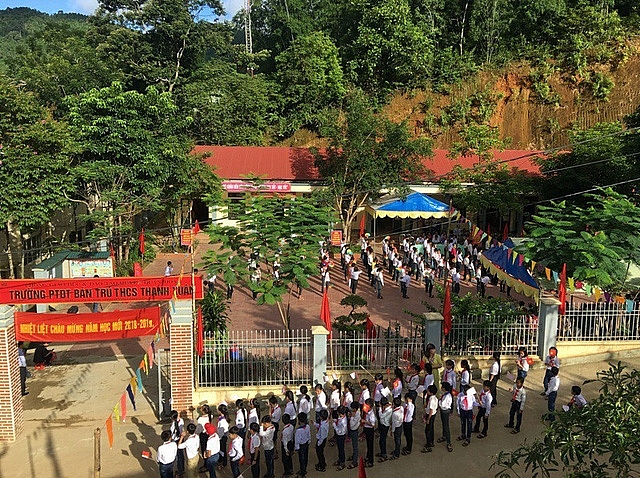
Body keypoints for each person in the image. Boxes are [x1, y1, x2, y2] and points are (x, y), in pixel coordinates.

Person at [421, 385, 438, 453]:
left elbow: (431, 410)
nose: (427, 391)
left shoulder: (432, 399)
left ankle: (428, 445)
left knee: (427, 430)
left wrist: (428, 419)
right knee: (431, 429)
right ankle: (431, 442)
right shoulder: (432, 398)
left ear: (431, 392)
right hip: (431, 414)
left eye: (428, 391)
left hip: (431, 415)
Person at [437, 382, 454, 452]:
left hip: (445, 411)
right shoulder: (446, 394)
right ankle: (444, 436)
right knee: (444, 424)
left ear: (444, 388)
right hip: (443, 411)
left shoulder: (447, 396)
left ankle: (449, 442)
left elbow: (442, 404)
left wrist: (439, 401)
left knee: (446, 426)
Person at [294, 412, 310, 477]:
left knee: (301, 459)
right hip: (306, 444)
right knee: (305, 457)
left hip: (301, 446)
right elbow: (309, 435)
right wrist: (309, 441)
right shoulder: (308, 426)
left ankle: (302, 472)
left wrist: (296, 448)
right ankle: (304, 469)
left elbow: (297, 440)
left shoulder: (298, 430)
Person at [170, 410, 185, 477]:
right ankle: (182, 469)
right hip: (181, 439)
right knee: (181, 455)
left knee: (177, 456)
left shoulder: (173, 425)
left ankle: (180, 471)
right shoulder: (181, 420)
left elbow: (172, 435)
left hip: (175, 440)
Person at [332, 406, 348, 470]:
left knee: (341, 449)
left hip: (341, 435)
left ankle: (342, 462)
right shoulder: (342, 417)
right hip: (340, 435)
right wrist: (335, 420)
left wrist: (334, 425)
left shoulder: (343, 422)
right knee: (339, 448)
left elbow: (339, 431)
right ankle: (340, 460)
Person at [362, 398, 376, 467]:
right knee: (368, 444)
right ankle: (368, 457)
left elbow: (373, 424)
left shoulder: (372, 415)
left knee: (370, 446)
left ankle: (371, 461)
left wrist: (365, 422)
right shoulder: (366, 411)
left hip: (370, 430)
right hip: (366, 429)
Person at [377, 397, 392, 462]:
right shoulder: (387, 408)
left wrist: (380, 409)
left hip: (385, 425)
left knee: (382, 441)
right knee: (381, 440)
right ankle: (382, 452)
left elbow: (381, 416)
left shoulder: (388, 410)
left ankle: (384, 454)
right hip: (383, 424)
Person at [347, 402, 360, 469]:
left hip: (354, 430)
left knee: (355, 446)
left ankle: (355, 462)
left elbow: (352, 424)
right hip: (353, 430)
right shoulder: (355, 413)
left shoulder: (357, 415)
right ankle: (353, 456)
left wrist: (351, 417)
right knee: (353, 445)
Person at [216, 404, 229, 468]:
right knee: (221, 450)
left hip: (222, 437)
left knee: (222, 450)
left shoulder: (223, 421)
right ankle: (221, 461)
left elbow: (221, 431)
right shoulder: (222, 419)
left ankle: (223, 463)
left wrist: (218, 438)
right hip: (222, 436)